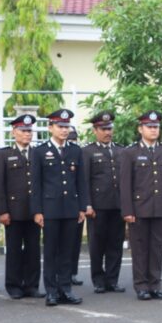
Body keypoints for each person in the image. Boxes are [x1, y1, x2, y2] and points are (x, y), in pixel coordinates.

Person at [120, 111, 162, 300]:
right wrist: (127, 210)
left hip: (160, 207)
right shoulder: (130, 153)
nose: (153, 130)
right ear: (140, 129)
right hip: (139, 209)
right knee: (139, 249)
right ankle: (141, 286)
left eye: (156, 127)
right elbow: (125, 185)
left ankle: (155, 285)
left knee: (156, 249)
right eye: (149, 127)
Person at [31, 109, 87, 306]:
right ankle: (51, 291)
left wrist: (82, 207)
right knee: (51, 251)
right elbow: (36, 184)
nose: (64, 130)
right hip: (50, 209)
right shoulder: (40, 151)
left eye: (66, 126)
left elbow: (81, 182)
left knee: (67, 251)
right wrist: (37, 210)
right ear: (50, 128)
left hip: (70, 208)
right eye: (60, 126)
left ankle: (66, 289)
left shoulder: (75, 150)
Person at [0, 114, 43, 299]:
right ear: (14, 132)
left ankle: (32, 285)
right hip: (13, 211)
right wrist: (2, 211)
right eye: (23, 130)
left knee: (33, 249)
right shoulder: (4, 154)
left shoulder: (37, 153)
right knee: (14, 250)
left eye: (29, 130)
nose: (27, 134)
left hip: (34, 211)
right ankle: (14, 285)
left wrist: (41, 209)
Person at [82, 111, 126, 293]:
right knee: (97, 244)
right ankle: (98, 280)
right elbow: (84, 180)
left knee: (116, 244)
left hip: (118, 204)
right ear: (95, 130)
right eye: (103, 129)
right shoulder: (88, 151)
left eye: (109, 129)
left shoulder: (121, 150)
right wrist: (87, 204)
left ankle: (112, 280)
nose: (107, 132)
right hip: (98, 206)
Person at [67, 126, 84, 286]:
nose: (72, 142)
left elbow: (82, 182)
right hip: (60, 206)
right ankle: (61, 274)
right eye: (70, 139)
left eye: (74, 139)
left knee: (75, 241)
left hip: (76, 204)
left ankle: (72, 272)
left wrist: (83, 206)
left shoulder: (78, 153)